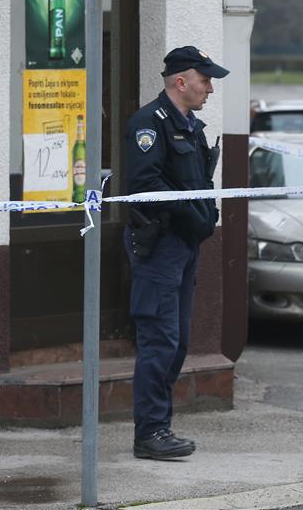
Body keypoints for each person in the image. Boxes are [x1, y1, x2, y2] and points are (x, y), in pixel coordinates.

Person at [124, 46, 229, 460]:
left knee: (179, 341)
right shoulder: (149, 124)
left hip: (184, 246)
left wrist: (203, 218)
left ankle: (159, 426)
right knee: (159, 340)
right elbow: (146, 186)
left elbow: (196, 182)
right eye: (205, 81)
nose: (210, 89)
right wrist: (193, 217)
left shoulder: (191, 126)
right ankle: (149, 432)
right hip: (160, 245)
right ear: (181, 82)